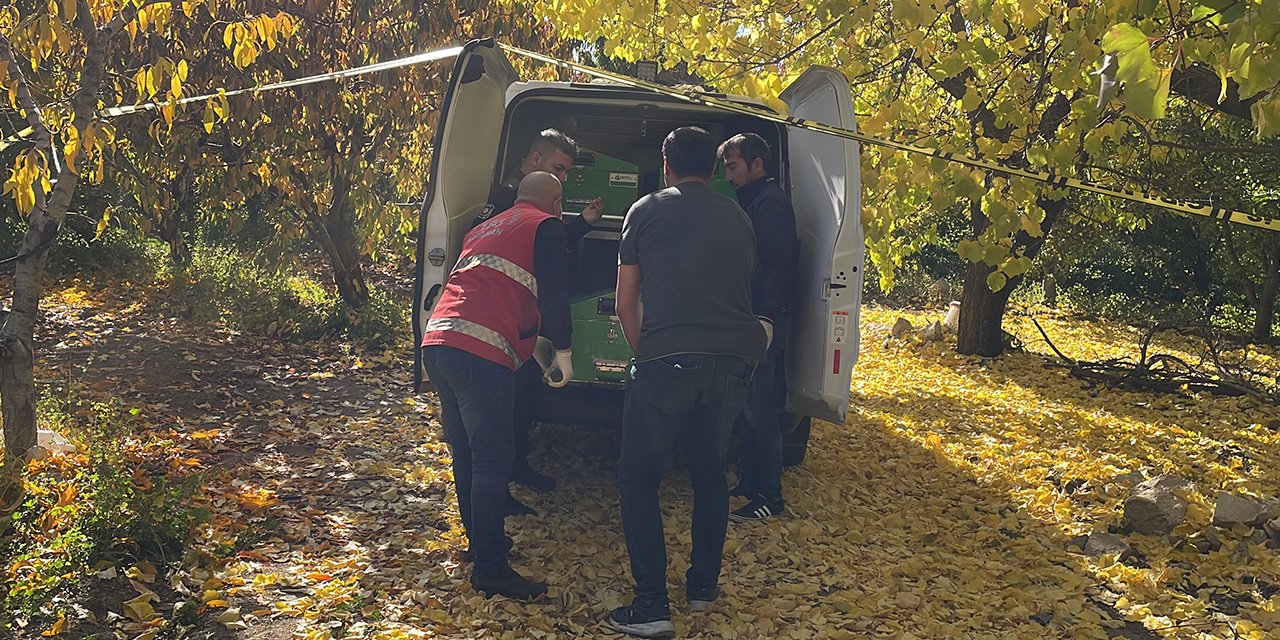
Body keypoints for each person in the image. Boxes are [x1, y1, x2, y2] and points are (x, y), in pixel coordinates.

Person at [607, 127, 768, 637]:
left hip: (666, 358)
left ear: (665, 163)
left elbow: (624, 302)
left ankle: (651, 606)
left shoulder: (645, 210)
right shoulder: (739, 217)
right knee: (708, 474)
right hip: (729, 363)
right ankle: (702, 588)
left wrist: (645, 351)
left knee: (638, 478)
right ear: (716, 169)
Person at [420, 172, 575, 601]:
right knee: (493, 459)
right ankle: (491, 569)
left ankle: (482, 544)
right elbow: (554, 296)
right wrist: (564, 350)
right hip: (479, 351)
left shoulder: (486, 226)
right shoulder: (545, 227)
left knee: (467, 453)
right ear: (556, 202)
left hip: (439, 342)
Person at [473, 128, 603, 507]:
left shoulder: (527, 205)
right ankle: (499, 489)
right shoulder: (503, 201)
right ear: (534, 161)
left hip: (517, 324)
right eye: (558, 169)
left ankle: (516, 466)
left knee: (523, 396)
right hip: (496, 323)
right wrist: (563, 347)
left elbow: (546, 245)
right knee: (503, 410)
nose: (561, 179)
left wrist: (581, 224)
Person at [718, 133, 798, 523]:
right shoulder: (757, 200)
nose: (728, 176)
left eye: (733, 167)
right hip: (751, 315)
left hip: (761, 319)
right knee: (748, 407)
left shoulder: (770, 204)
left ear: (757, 164)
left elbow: (776, 264)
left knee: (759, 409)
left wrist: (764, 317)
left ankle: (770, 496)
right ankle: (751, 481)